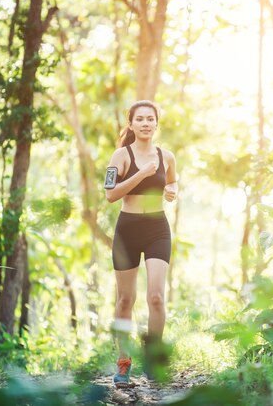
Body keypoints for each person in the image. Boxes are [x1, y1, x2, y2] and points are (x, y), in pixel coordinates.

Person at [104, 100, 178, 386]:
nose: (146, 123)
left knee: (156, 297)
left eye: (150, 119)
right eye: (140, 119)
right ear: (131, 124)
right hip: (128, 230)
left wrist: (171, 190)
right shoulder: (120, 156)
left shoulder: (167, 156)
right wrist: (141, 174)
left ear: (156, 124)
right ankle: (123, 364)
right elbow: (110, 195)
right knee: (125, 299)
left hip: (158, 227)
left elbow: (171, 182)